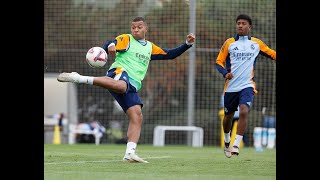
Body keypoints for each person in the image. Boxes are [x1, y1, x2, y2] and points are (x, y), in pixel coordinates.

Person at [57, 16, 196, 163]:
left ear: (145, 28)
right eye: (133, 27)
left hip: (133, 85)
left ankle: (129, 154)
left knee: (137, 116)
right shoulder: (127, 39)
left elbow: (169, 54)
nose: (136, 29)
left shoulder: (150, 47)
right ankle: (78, 78)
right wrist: (110, 46)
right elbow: (111, 43)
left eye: (139, 27)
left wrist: (187, 44)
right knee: (122, 86)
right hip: (119, 73)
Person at [215, 14, 276, 158]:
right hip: (231, 87)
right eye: (238, 23)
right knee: (228, 117)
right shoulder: (229, 43)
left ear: (250, 27)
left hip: (247, 85)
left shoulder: (256, 43)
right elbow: (218, 62)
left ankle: (236, 145)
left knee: (243, 111)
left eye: (243, 23)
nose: (240, 26)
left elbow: (272, 54)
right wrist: (225, 73)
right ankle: (227, 140)